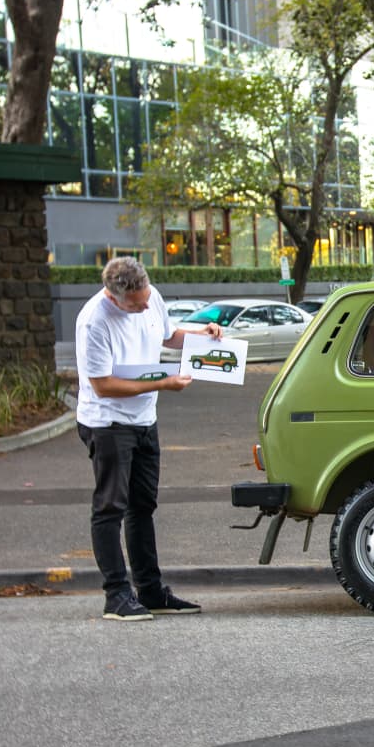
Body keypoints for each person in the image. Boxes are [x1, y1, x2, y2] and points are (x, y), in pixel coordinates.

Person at [74, 257, 223, 621]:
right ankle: (116, 595)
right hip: (107, 423)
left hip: (144, 420)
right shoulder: (94, 320)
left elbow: (168, 336)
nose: (144, 306)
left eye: (146, 299)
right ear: (113, 297)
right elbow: (103, 385)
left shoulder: (149, 295)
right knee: (110, 507)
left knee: (142, 506)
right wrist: (162, 384)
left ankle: (150, 590)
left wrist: (202, 334)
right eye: (136, 304)